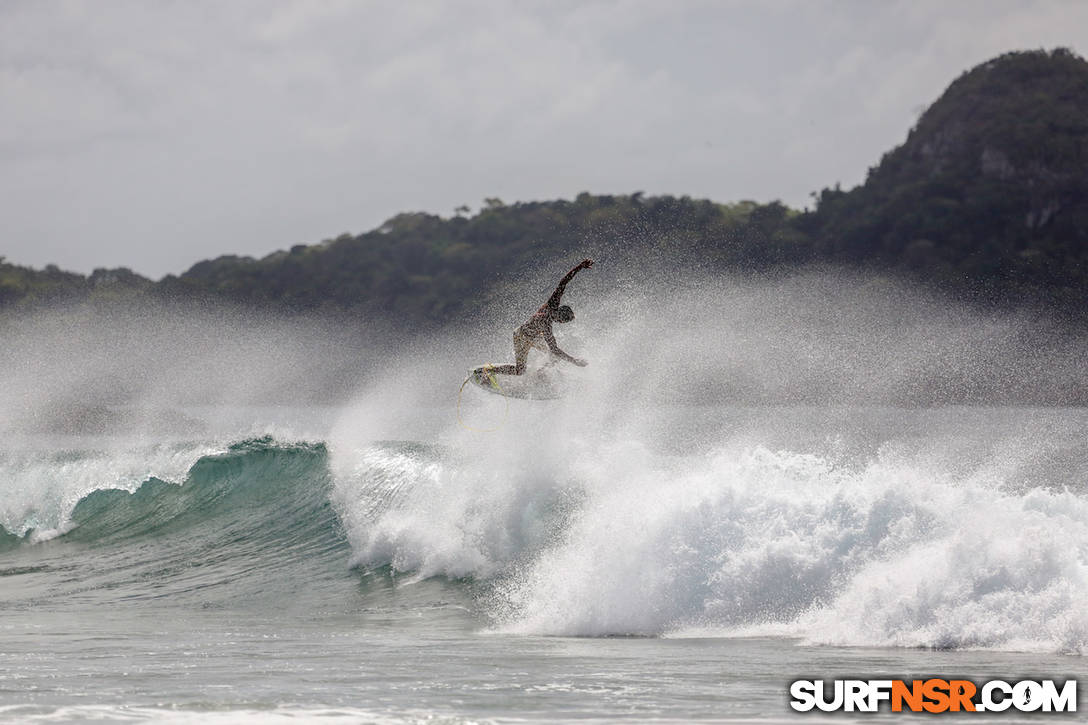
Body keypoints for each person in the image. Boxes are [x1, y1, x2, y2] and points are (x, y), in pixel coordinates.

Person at [490, 258, 594, 376]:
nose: (559, 323)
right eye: (562, 322)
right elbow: (563, 282)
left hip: (535, 337)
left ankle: (539, 375)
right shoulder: (551, 308)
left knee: (554, 356)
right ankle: (488, 372)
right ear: (560, 317)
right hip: (521, 336)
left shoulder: (550, 317)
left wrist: (580, 267)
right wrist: (574, 361)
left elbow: (554, 350)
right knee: (520, 371)